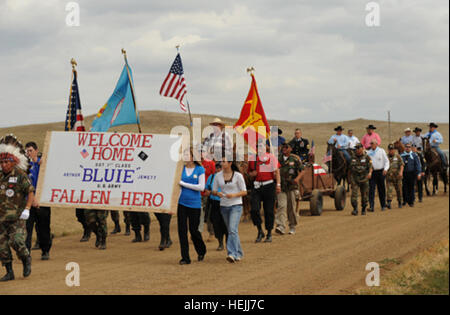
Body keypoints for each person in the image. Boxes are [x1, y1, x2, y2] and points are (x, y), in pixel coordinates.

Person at [0, 135, 33, 281]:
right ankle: (9, 272)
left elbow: (30, 191)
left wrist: (27, 208)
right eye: (1, 162)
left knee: (17, 241)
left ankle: (26, 259)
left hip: (17, 218)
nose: (4, 164)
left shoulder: (20, 175)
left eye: (6, 161)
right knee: (2, 247)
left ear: (13, 162)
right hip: (1, 218)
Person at [212, 158, 247, 263]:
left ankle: (231, 253)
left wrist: (234, 195)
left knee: (232, 229)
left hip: (236, 205)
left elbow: (244, 191)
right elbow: (214, 190)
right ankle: (239, 252)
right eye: (221, 161)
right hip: (223, 205)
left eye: (224, 161)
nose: (222, 163)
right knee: (232, 231)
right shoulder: (218, 176)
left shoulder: (238, 176)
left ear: (230, 163)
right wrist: (218, 193)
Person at [177, 147, 207, 265]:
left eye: (187, 154)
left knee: (193, 230)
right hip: (181, 203)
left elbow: (201, 187)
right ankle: (185, 257)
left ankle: (201, 250)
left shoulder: (200, 169)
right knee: (182, 230)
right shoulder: (181, 169)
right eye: (184, 154)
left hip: (194, 204)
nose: (185, 157)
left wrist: (183, 184)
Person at [248, 140, 281, 243]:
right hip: (257, 186)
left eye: (262, 146)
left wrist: (278, 185)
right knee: (254, 209)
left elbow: (277, 172)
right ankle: (259, 230)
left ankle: (269, 233)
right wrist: (251, 174)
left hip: (269, 185)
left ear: (266, 147)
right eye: (258, 147)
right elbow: (249, 172)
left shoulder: (271, 157)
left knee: (269, 211)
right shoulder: (252, 159)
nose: (260, 148)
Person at [24, 142, 52, 260]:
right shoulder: (24, 165)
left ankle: (45, 251)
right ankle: (26, 254)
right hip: (28, 203)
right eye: (27, 151)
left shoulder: (44, 162)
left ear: (36, 150)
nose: (29, 153)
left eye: (30, 150)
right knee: (27, 229)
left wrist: (44, 163)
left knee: (43, 228)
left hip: (43, 202)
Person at [275, 143, 304, 235]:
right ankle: (281, 226)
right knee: (281, 206)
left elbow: (302, 170)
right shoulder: (277, 159)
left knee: (291, 207)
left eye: (286, 147)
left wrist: (297, 179)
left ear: (290, 149)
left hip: (291, 186)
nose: (284, 149)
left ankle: (292, 225)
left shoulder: (294, 159)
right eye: (283, 148)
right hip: (282, 186)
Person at [204, 162, 228, 251]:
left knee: (225, 224)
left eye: (220, 168)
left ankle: (227, 243)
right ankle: (220, 243)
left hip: (225, 203)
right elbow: (206, 188)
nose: (218, 169)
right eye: (217, 168)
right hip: (213, 203)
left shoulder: (228, 176)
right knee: (216, 224)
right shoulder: (212, 177)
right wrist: (209, 192)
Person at [349, 143, 373, 215]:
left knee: (364, 195)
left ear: (362, 148)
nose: (357, 150)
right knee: (354, 195)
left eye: (358, 148)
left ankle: (363, 208)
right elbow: (350, 169)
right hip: (355, 178)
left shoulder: (367, 157)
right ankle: (355, 209)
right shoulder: (352, 157)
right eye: (356, 148)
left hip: (364, 178)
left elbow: (370, 167)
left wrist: (370, 173)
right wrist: (349, 179)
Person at [367, 139, 389, 211]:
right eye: (371, 143)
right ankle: (371, 206)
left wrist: (385, 169)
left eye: (373, 143)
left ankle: (383, 205)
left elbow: (386, 161)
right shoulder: (368, 152)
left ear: (376, 144)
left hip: (380, 172)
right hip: (372, 172)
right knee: (371, 190)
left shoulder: (381, 151)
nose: (371, 145)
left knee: (381, 189)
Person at [199, 151, 215, 240]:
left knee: (209, 214)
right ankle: (198, 232)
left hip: (207, 193)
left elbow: (214, 177)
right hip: (197, 193)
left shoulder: (210, 163)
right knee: (198, 214)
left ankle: (211, 233)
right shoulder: (195, 165)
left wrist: (210, 190)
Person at [386, 144, 404, 209]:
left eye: (392, 150)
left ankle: (400, 202)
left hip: (397, 177)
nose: (391, 151)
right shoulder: (386, 157)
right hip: (389, 177)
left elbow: (402, 165)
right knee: (389, 190)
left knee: (399, 190)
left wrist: (401, 172)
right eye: (390, 150)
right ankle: (389, 202)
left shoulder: (398, 156)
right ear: (388, 150)